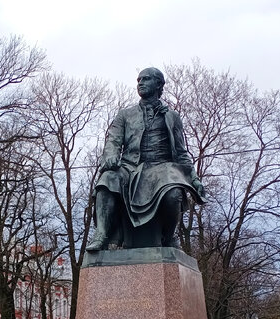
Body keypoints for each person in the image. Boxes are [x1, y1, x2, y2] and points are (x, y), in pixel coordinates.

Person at [87, 67, 205, 251]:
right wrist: (110, 157)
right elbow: (113, 141)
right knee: (107, 180)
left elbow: (181, 152)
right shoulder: (125, 115)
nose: (140, 83)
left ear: (159, 84)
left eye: (146, 79)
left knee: (173, 193)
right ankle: (101, 234)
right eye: (138, 80)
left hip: (162, 167)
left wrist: (194, 178)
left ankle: (168, 237)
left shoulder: (172, 117)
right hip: (130, 167)